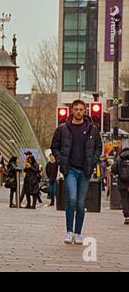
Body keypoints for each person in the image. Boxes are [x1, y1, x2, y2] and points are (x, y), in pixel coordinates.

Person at [51, 99, 102, 244]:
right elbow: (54, 146)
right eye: (76, 109)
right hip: (70, 169)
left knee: (80, 203)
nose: (79, 112)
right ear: (71, 111)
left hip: (85, 170)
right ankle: (69, 231)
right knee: (71, 199)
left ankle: (78, 233)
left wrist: (94, 160)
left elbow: (99, 147)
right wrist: (60, 160)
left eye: (81, 109)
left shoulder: (93, 129)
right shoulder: (62, 128)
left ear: (85, 111)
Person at [110, 148, 129, 225]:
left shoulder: (119, 158)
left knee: (124, 199)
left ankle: (127, 216)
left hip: (122, 182)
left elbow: (113, 169)